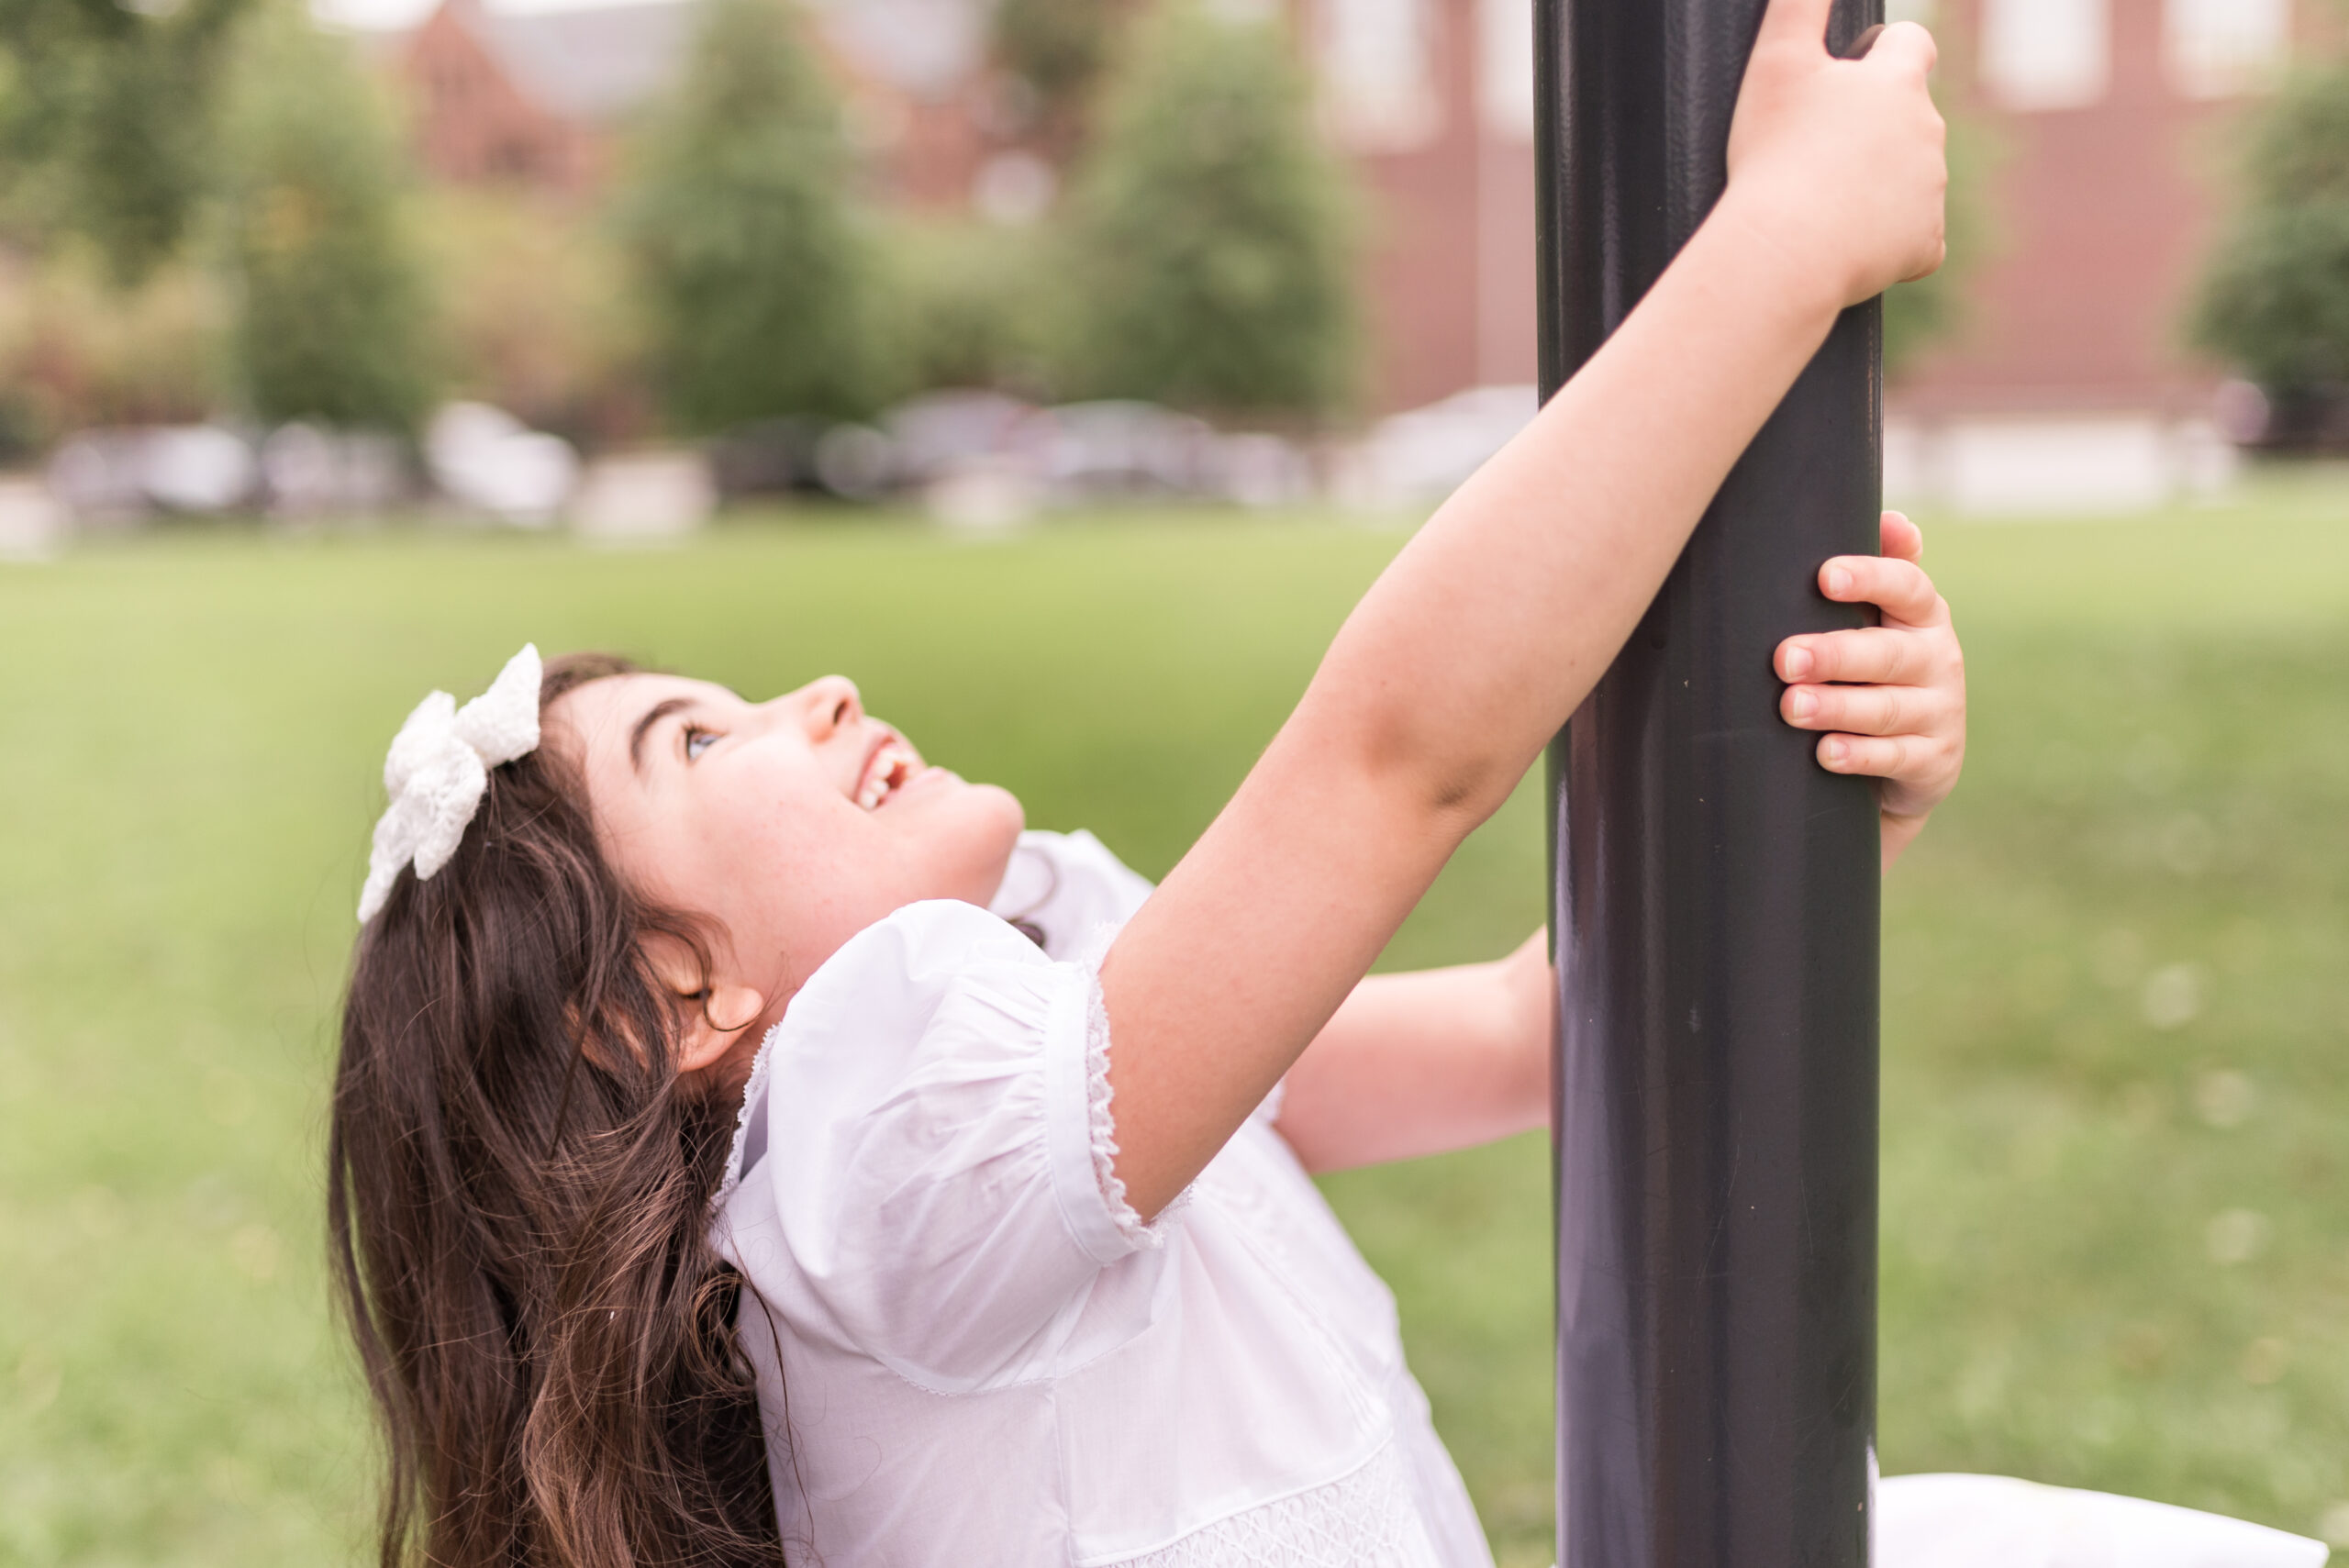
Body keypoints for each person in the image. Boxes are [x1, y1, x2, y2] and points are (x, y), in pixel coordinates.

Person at [328, 0, 1956, 1562]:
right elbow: (1388, 767)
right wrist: (1780, 246)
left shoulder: (1062, 1024)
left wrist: (1830, 824)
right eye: (696, 742)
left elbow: (1544, 1031)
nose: (809, 697)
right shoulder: (879, 1162)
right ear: (666, 1006)